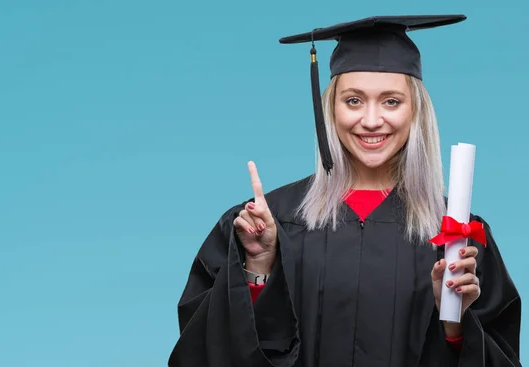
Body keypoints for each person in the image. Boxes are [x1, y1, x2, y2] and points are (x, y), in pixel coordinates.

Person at [168, 14, 522, 367]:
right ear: (330, 110)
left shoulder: (454, 235)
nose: (370, 120)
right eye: (353, 100)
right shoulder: (273, 221)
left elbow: (499, 355)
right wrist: (259, 269)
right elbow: (206, 350)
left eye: (391, 101)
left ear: (416, 112)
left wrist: (455, 327)